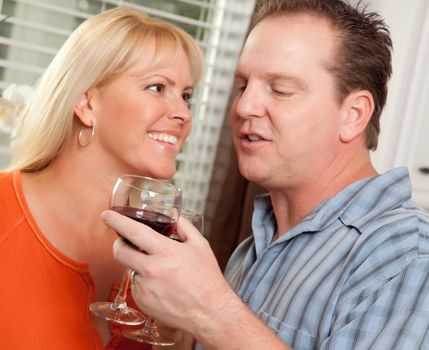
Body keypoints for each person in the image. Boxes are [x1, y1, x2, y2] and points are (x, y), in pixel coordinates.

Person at [102, 0, 429, 349]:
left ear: (353, 114)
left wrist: (212, 311)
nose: (244, 107)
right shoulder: (253, 249)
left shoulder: (408, 260)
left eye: (280, 89)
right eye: (243, 86)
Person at [0, 6, 203, 349]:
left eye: (186, 95)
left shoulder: (164, 258)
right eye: (157, 87)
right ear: (87, 103)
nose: (182, 113)